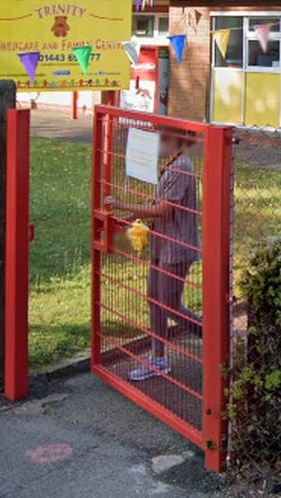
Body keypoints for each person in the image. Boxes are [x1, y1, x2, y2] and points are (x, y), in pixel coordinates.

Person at [103, 129, 202, 382]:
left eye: (163, 141)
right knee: (154, 299)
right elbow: (157, 205)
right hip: (162, 244)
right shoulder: (171, 165)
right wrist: (130, 218)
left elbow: (164, 209)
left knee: (169, 304)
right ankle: (158, 358)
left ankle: (212, 337)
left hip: (177, 246)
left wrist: (123, 204)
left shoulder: (182, 167)